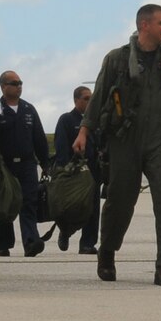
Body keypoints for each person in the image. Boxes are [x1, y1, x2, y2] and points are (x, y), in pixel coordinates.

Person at [78, 3, 161, 285]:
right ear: (145, 25)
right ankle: (107, 254)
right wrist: (84, 131)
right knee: (119, 201)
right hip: (124, 140)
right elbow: (98, 97)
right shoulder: (117, 59)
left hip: (160, 139)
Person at [0, 70, 52, 257]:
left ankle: (31, 242)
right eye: (14, 83)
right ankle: (3, 244)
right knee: (5, 205)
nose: (19, 87)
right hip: (4, 165)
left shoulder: (28, 109)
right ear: (3, 86)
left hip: (27, 165)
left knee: (29, 203)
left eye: (20, 83)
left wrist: (46, 164)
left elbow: (39, 139)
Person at [52, 85, 101, 255]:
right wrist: (66, 169)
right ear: (76, 100)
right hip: (74, 173)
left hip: (93, 173)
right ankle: (65, 231)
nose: (90, 102)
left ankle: (87, 243)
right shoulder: (66, 120)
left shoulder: (97, 121)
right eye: (86, 98)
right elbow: (61, 146)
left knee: (93, 209)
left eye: (91, 98)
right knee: (72, 207)